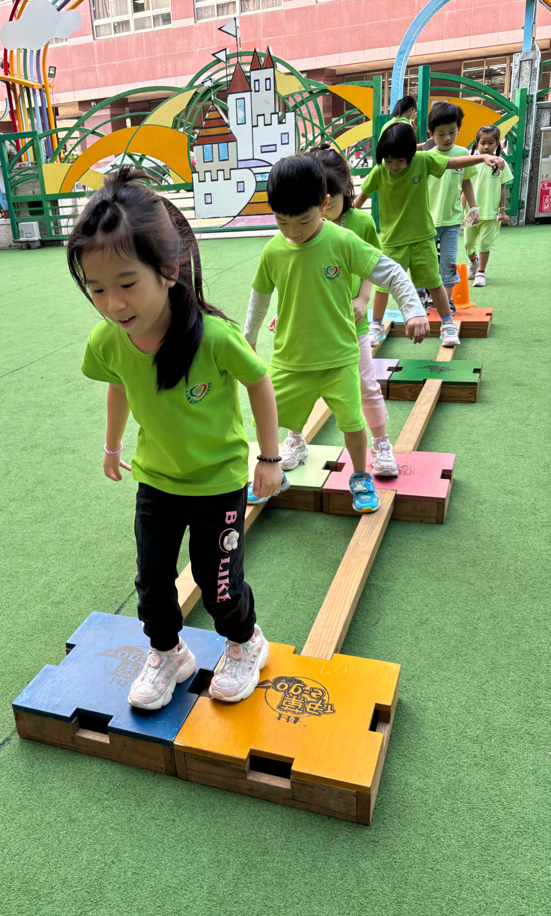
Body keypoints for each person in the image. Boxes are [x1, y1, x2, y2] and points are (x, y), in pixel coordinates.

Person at [69, 168, 281, 711]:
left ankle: (246, 643)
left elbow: (259, 381)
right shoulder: (109, 340)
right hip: (158, 481)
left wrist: (270, 457)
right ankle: (168, 653)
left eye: (126, 284)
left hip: (218, 483)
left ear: (168, 270)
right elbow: (119, 384)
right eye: (97, 289)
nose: (113, 304)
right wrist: (112, 446)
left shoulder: (213, 336)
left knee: (218, 583)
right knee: (152, 582)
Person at [244, 155, 428, 514]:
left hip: (339, 357)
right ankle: (274, 472)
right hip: (291, 359)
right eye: (282, 221)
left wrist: (414, 310)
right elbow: (260, 297)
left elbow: (390, 272)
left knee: (352, 422)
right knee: (267, 416)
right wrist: (248, 338)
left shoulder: (342, 241)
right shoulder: (273, 250)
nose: (293, 232)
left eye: (303, 220)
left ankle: (360, 477)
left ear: (324, 203)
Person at [267, 145, 398, 476]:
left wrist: (364, 299)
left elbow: (374, 267)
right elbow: (295, 279)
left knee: (364, 385)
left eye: (329, 203)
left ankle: (381, 442)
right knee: (300, 384)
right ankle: (295, 438)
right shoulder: (300, 226)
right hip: (309, 329)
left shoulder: (359, 223)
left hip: (351, 325)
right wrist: (289, 313)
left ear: (338, 194)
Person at [354, 121, 505, 347]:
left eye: (400, 160)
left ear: (411, 154)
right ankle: (376, 325)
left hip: (423, 238)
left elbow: (454, 162)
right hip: (392, 240)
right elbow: (358, 202)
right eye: (389, 160)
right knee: (383, 286)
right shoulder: (380, 170)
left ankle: (447, 324)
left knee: (434, 283)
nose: (394, 166)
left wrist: (482, 157)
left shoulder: (422, 161)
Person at [425, 102, 479, 312]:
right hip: (428, 220)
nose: (447, 138)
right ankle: (424, 297)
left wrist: (473, 208)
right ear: (431, 134)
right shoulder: (427, 158)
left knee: (448, 261)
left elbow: (466, 182)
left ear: (458, 129)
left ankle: (447, 299)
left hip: (452, 219)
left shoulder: (462, 152)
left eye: (452, 132)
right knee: (426, 261)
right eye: (441, 134)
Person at [464, 125, 513, 287]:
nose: (486, 147)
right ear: (476, 144)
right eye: (482, 143)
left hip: (490, 213)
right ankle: (474, 261)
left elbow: (502, 189)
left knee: (485, 244)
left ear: (497, 144)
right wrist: (462, 210)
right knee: (468, 245)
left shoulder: (501, 164)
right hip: (471, 213)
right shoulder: (470, 163)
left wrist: (502, 211)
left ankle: (481, 272)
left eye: (490, 143)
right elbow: (464, 188)